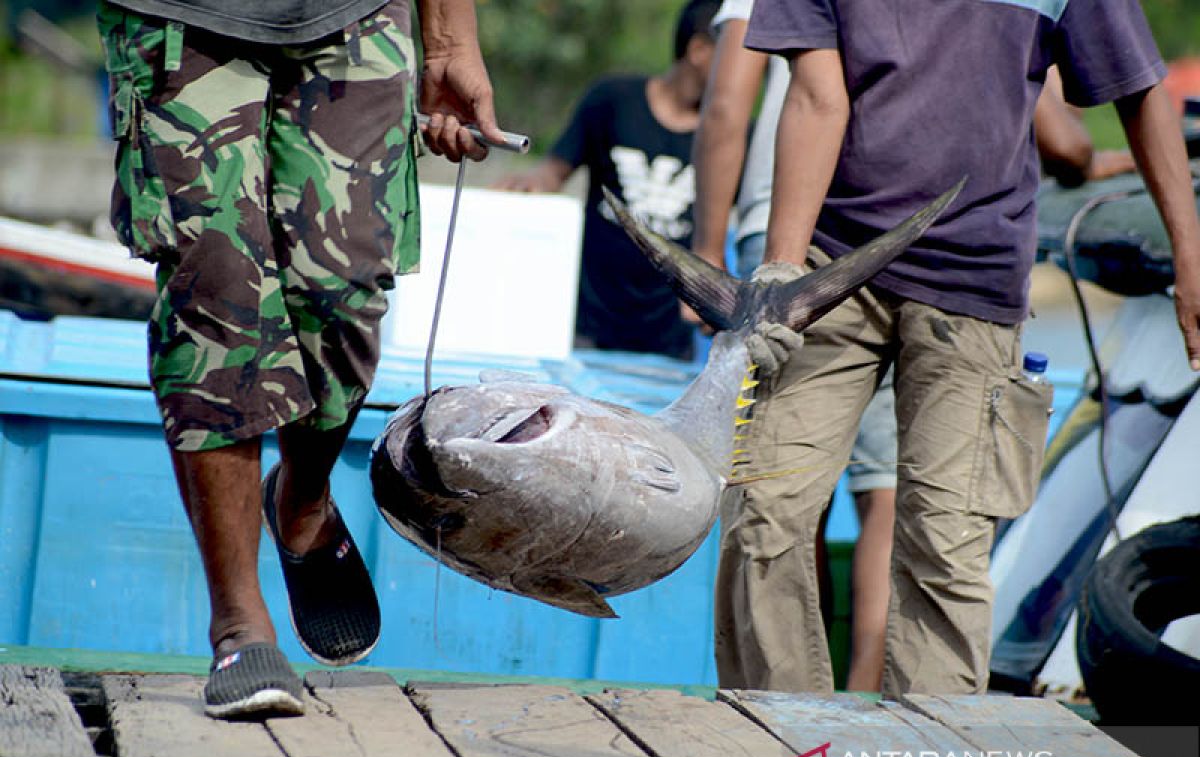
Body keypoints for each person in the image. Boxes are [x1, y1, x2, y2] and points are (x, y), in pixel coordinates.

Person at [716, 0, 1200, 699]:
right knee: (765, 513)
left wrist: (1189, 258)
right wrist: (784, 275)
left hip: (976, 283)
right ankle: (784, 744)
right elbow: (819, 98)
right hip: (832, 270)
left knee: (945, 545)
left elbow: (1140, 89)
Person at [97, 0, 504, 719]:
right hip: (179, 17)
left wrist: (448, 40)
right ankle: (239, 625)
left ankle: (303, 498)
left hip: (350, 15)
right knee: (216, 294)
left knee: (343, 291)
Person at [692, 0, 896, 692]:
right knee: (884, 486)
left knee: (778, 480)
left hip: (788, 241)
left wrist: (705, 247)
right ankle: (866, 696)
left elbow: (726, 108)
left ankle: (786, 708)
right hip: (908, 241)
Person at [493, 0, 721, 361]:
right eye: (741, 57)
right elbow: (553, 172)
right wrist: (525, 188)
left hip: (669, 343)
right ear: (699, 49)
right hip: (586, 330)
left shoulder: (729, 141)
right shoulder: (613, 100)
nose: (751, 73)